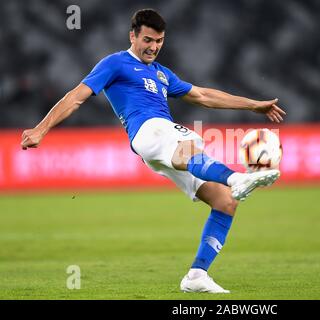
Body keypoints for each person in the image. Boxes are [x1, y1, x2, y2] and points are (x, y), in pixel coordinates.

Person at [20, 9, 286, 293]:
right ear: (132, 35)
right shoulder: (115, 64)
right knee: (190, 146)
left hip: (160, 142)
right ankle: (236, 178)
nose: (154, 47)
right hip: (148, 130)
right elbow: (75, 98)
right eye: (147, 39)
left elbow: (203, 96)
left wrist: (253, 105)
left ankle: (196, 275)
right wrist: (41, 129)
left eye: (159, 41)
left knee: (225, 202)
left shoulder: (161, 73)